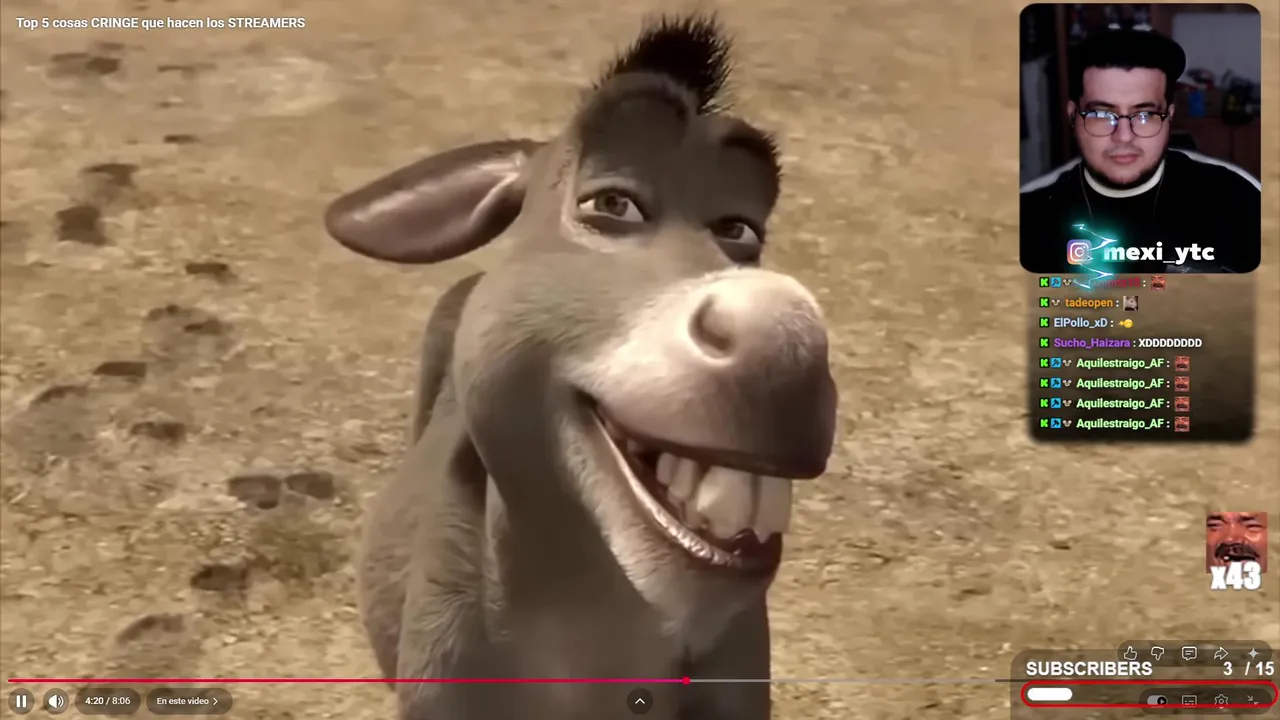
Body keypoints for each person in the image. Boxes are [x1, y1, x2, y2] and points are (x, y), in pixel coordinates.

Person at [1021, 29, 1260, 274]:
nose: (1124, 136)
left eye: (1145, 114)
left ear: (1169, 116)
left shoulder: (1236, 202)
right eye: (1101, 114)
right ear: (1073, 116)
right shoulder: (1028, 221)